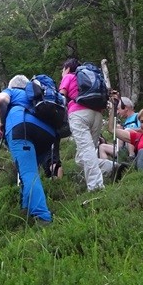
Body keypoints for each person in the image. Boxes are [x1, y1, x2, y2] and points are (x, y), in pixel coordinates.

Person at [0, 74, 56, 224]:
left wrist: (1, 122)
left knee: (28, 173)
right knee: (29, 171)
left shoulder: (13, 92)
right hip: (47, 133)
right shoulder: (38, 95)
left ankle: (43, 217)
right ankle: (26, 208)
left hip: (21, 128)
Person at [60, 57, 104, 191]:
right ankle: (111, 167)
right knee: (82, 157)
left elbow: (61, 96)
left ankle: (96, 186)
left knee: (87, 151)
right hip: (97, 114)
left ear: (67, 68)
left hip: (79, 114)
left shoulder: (68, 77)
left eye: (63, 69)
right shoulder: (89, 77)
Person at [98, 96, 138, 162]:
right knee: (102, 147)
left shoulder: (137, 116)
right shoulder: (124, 123)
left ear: (125, 108)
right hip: (123, 148)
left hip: (134, 143)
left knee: (129, 132)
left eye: (118, 109)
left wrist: (127, 130)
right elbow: (112, 130)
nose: (118, 112)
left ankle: (131, 159)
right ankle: (109, 168)